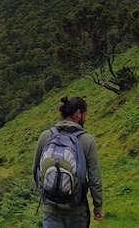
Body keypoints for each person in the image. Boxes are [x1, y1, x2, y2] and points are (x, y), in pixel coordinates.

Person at [33, 96, 104, 227]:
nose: (86, 118)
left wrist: (48, 195)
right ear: (78, 114)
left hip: (50, 209)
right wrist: (98, 207)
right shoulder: (87, 140)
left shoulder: (45, 136)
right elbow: (95, 179)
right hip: (76, 211)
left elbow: (35, 171)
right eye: (85, 114)